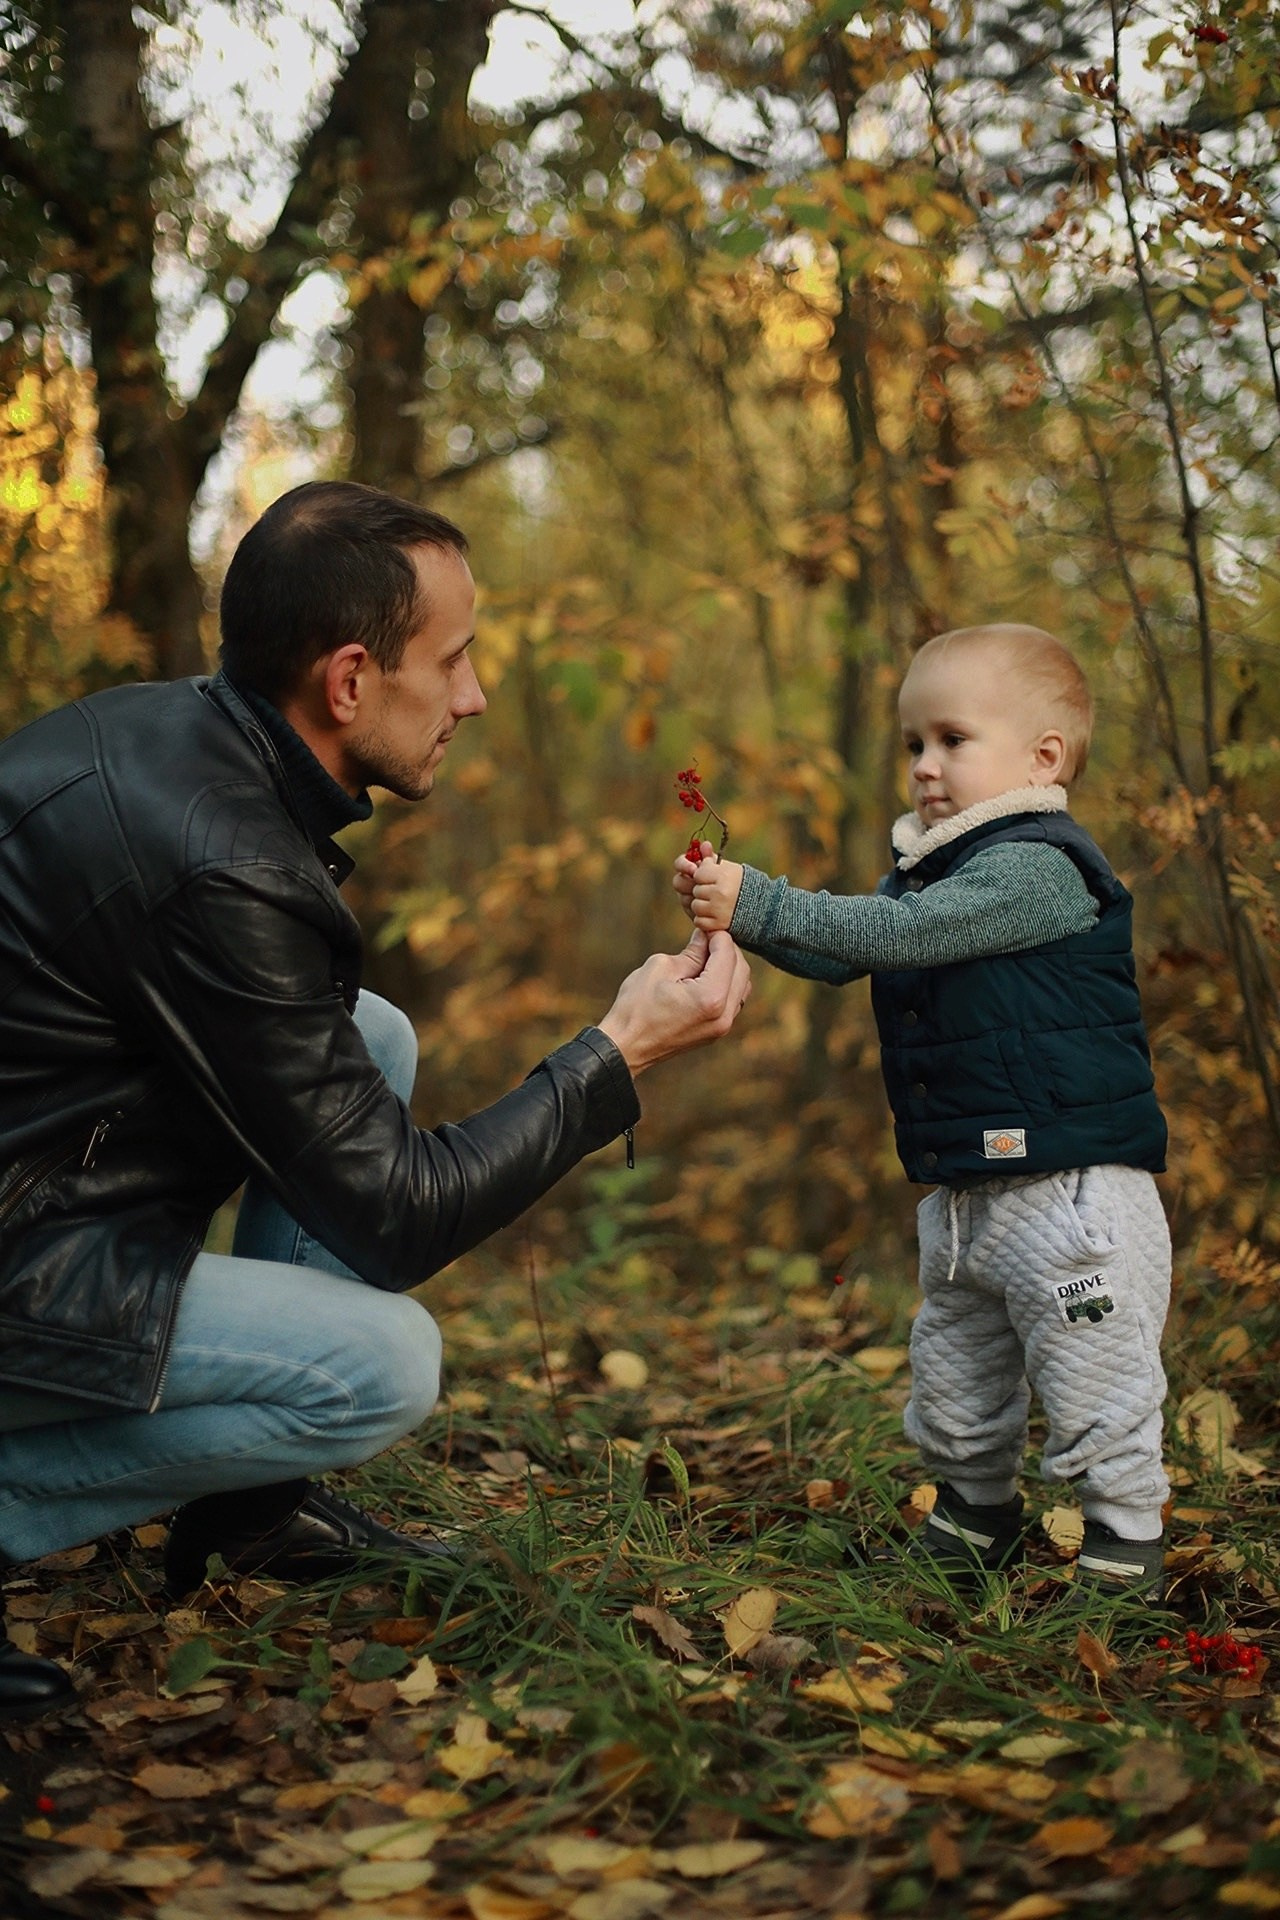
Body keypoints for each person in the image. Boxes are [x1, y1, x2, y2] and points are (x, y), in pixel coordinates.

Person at [0, 480, 752, 1717]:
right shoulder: (220, 860)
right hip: (23, 1239)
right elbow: (399, 1215)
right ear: (348, 681)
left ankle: (248, 1523)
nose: (474, 696)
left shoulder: (170, 738)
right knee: (379, 1369)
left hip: (48, 1169)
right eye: (451, 662)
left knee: (372, 1032)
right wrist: (616, 1054)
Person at [676, 623, 1170, 1604]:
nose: (924, 767)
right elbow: (848, 948)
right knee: (954, 1368)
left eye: (950, 738)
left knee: (1091, 1374)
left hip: (1068, 1195)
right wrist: (735, 911)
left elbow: (902, 934)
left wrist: (764, 901)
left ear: (1043, 758)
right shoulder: (935, 871)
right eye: (912, 745)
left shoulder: (1034, 867)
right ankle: (973, 1515)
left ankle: (1123, 1545)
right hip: (966, 1193)